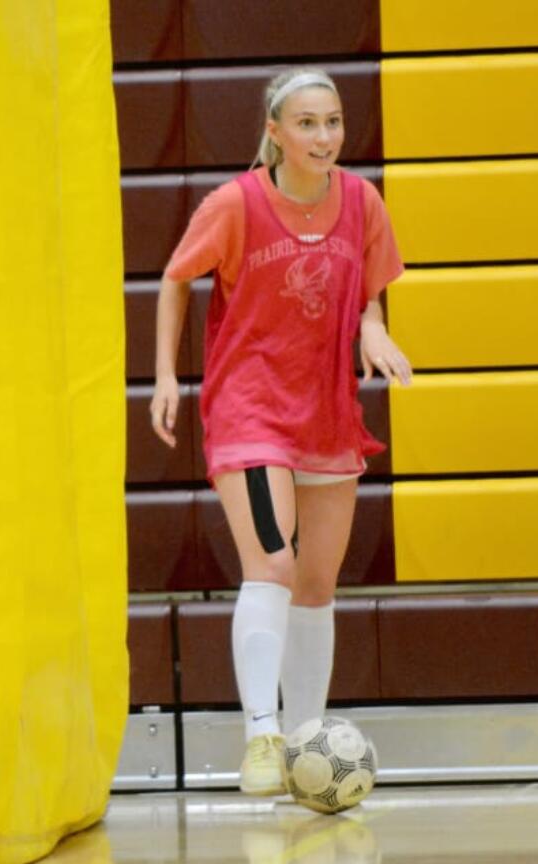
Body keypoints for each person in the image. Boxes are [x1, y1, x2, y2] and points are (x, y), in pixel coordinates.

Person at [150, 67, 412, 796]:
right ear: (275, 130)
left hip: (328, 411)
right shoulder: (235, 205)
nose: (324, 136)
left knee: (317, 585)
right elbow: (176, 277)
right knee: (272, 567)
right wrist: (168, 377)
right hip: (251, 410)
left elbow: (368, 296)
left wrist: (373, 330)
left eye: (332, 122)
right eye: (307, 123)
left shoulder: (362, 201)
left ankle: (307, 744)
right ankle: (262, 737)